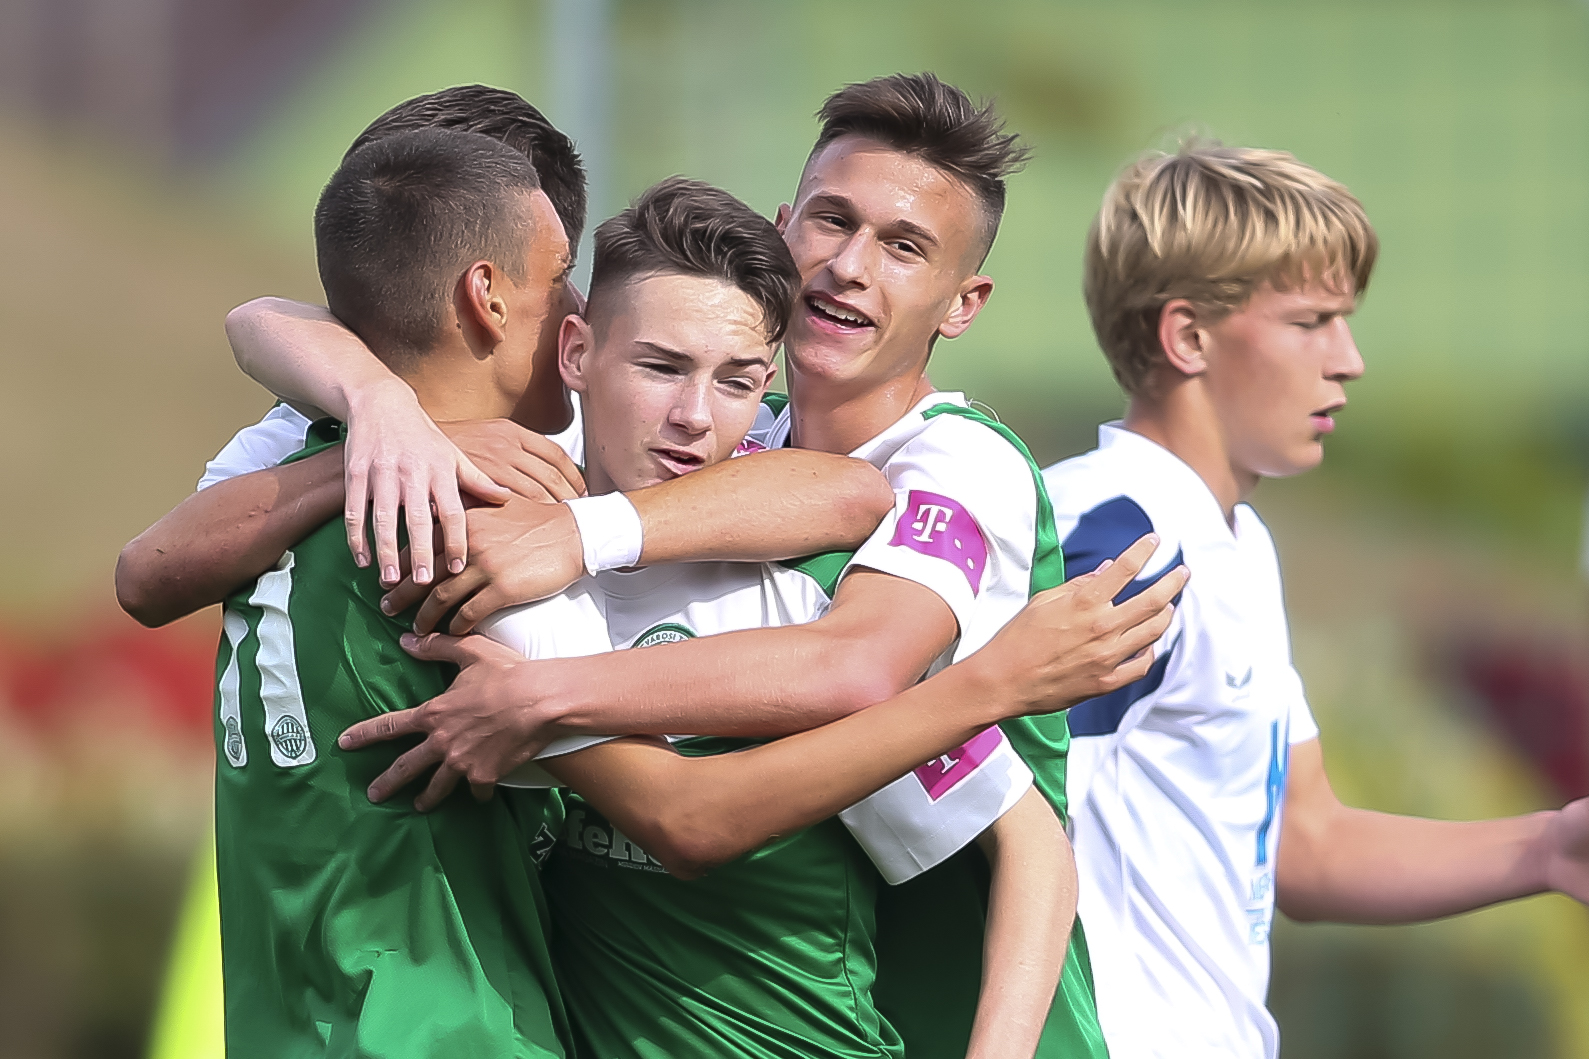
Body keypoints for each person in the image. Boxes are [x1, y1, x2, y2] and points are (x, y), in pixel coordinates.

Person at [139, 75, 1158, 1057]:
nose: (850, 265)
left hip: (977, 1024)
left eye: (902, 246)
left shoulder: (939, 474)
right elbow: (242, 372)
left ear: (962, 301)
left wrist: (550, 678)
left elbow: (860, 651)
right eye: (832, 221)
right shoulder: (629, 461)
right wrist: (388, 410)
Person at [1046, 140, 1589, 1058]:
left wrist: (1550, 848)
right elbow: (1001, 828)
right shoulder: (1117, 541)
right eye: (1311, 322)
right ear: (1187, 337)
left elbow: (1305, 839)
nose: (1349, 359)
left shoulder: (1236, 543)